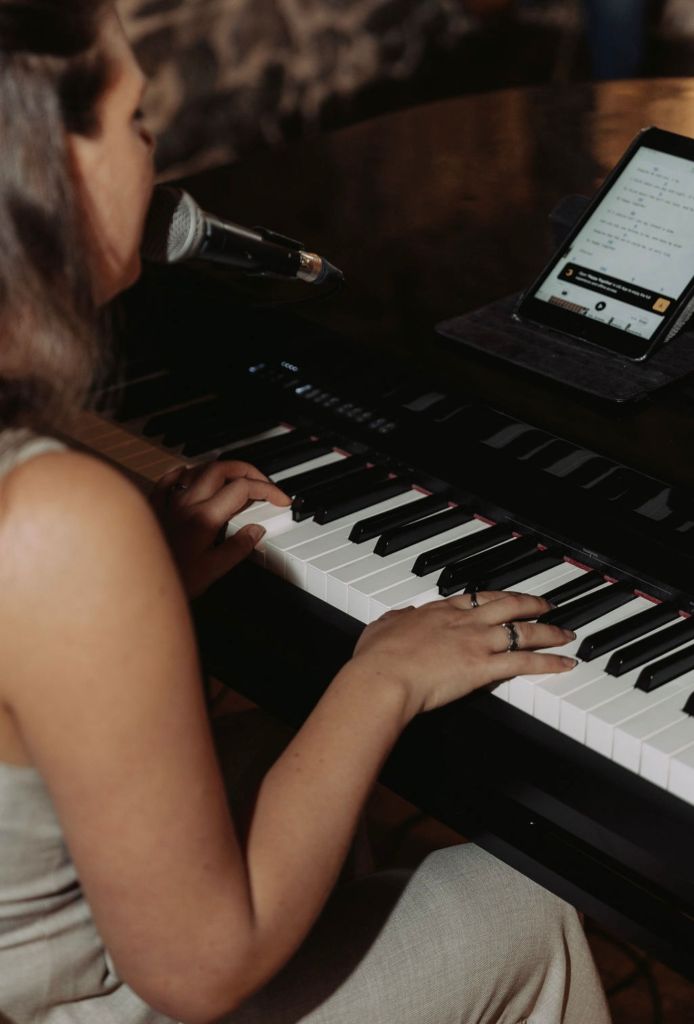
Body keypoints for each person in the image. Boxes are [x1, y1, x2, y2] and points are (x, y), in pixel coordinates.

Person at [0, 3, 612, 1022]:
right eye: (141, 123)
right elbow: (201, 970)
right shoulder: (50, 518)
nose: (160, 164)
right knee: (526, 903)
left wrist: (127, 596)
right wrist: (383, 673)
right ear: (44, 165)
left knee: (263, 766)